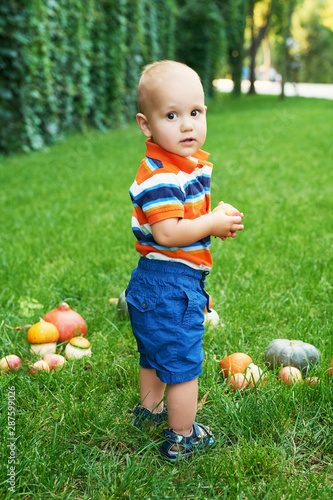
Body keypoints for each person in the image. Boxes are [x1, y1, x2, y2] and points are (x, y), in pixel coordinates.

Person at [126, 60, 244, 461]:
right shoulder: (160, 176)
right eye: (172, 116)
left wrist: (213, 223)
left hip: (153, 283)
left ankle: (148, 411)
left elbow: (184, 225)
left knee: (153, 353)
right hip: (169, 286)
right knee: (181, 363)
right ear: (147, 125)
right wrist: (209, 221)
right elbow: (167, 233)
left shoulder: (177, 168)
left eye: (195, 113)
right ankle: (182, 435)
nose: (187, 125)